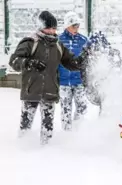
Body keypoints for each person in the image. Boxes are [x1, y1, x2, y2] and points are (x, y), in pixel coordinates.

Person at [8, 11, 89, 145]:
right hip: (31, 91)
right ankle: (22, 149)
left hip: (50, 91)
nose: (52, 31)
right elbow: (14, 60)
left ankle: (45, 151)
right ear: (41, 27)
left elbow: (70, 62)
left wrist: (81, 59)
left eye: (54, 28)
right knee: (26, 123)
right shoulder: (30, 42)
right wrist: (29, 63)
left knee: (48, 126)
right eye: (49, 27)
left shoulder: (58, 45)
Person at [58, 11, 88, 131]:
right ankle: (67, 132)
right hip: (64, 81)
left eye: (78, 25)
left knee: (82, 106)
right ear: (67, 25)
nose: (76, 28)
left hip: (79, 80)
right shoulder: (58, 40)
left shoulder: (83, 40)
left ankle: (78, 129)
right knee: (65, 108)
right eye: (73, 25)